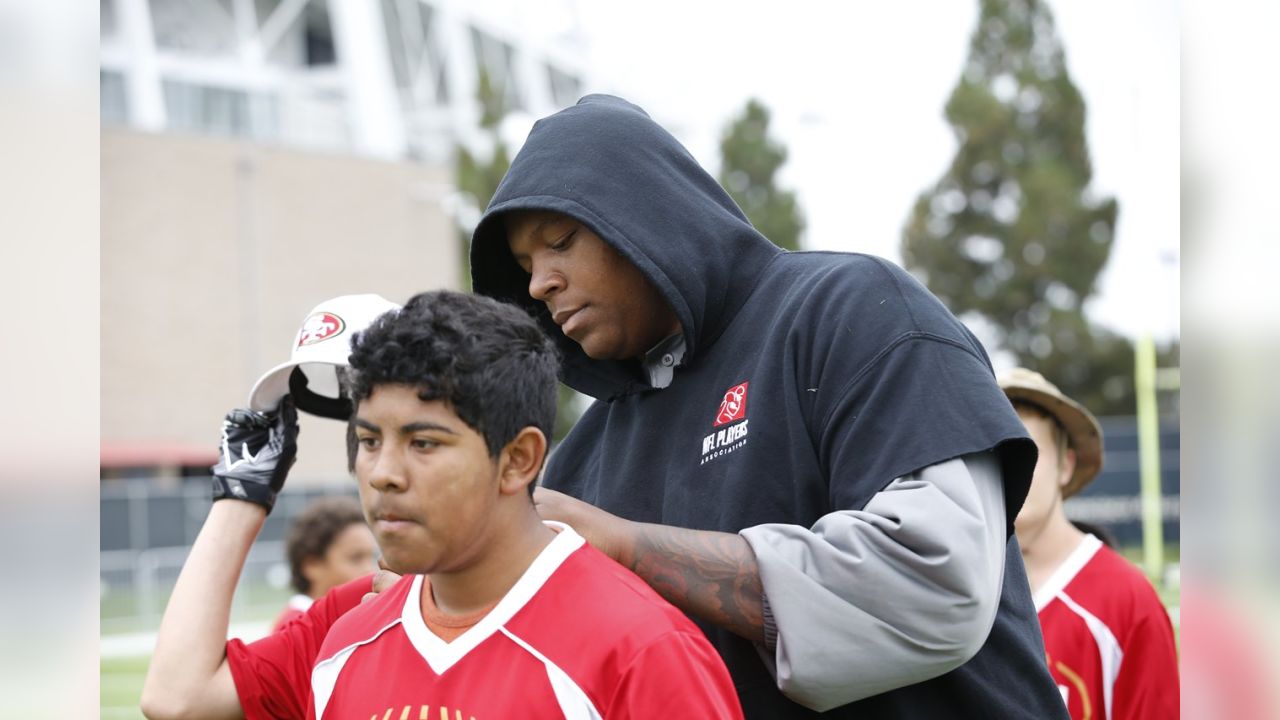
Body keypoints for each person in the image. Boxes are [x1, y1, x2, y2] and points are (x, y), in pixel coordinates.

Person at [469, 94, 1068, 718]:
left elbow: (936, 585)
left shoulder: (855, 312)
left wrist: (626, 546)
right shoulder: (580, 462)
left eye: (560, 241)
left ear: (644, 214)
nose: (540, 283)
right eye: (524, 265)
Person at [140, 290, 743, 720]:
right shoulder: (345, 642)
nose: (383, 474)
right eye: (369, 440)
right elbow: (176, 698)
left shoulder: (642, 650)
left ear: (518, 459)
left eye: (423, 443)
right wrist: (241, 495)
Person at [999, 367, 1179, 719]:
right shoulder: (955, 589)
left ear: (1065, 467)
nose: (1010, 470)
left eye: (1026, 452)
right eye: (994, 454)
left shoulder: (1127, 600)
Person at [273, 496, 376, 631]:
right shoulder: (294, 628)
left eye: (371, 557)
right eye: (355, 559)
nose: (370, 570)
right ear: (312, 565)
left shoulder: (340, 618)